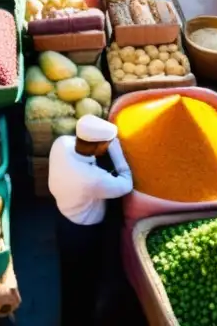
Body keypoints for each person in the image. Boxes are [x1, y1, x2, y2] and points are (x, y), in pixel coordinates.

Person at [48, 115, 133, 326]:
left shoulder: (61, 144)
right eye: (105, 144)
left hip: (63, 220)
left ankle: (70, 316)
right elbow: (126, 183)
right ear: (100, 146)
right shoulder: (92, 178)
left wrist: (107, 140)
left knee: (68, 276)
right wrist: (117, 149)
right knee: (83, 283)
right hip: (83, 235)